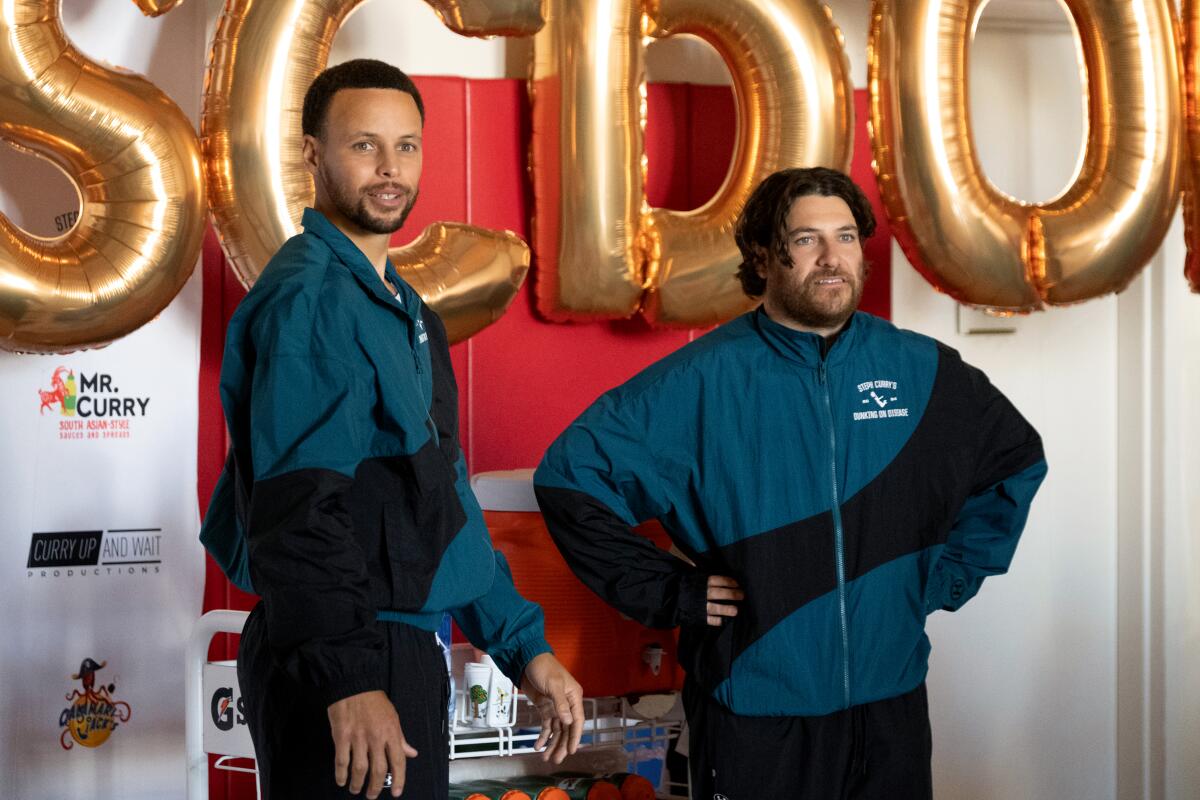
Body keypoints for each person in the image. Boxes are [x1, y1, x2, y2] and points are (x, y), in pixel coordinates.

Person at [533, 167, 1047, 798]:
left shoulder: (921, 371)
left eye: (847, 237)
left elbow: (1014, 460)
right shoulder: (700, 383)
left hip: (891, 712)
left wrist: (945, 577)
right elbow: (569, 479)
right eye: (807, 240)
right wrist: (671, 593)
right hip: (754, 714)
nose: (833, 258)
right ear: (763, 256)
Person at [200, 59, 583, 800]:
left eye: (406, 146)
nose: (389, 168)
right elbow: (298, 508)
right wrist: (348, 680)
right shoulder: (311, 301)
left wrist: (524, 645)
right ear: (312, 154)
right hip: (342, 658)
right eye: (365, 145)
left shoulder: (407, 314)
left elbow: (444, 508)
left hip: (399, 649)